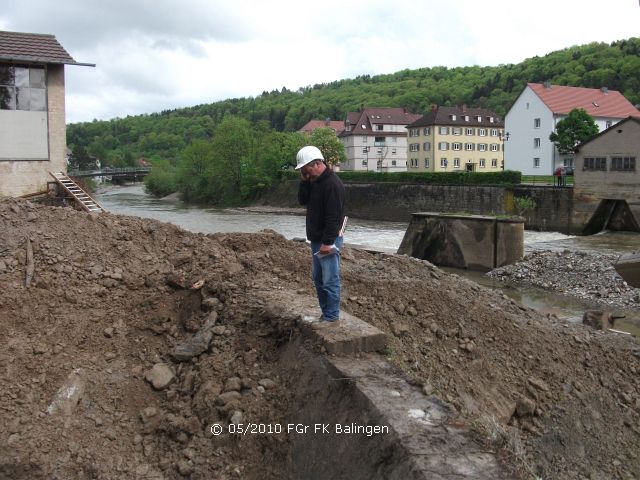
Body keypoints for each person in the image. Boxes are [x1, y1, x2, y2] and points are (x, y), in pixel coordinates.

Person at [296, 146, 346, 323]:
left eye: (306, 169)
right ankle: (326, 313)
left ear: (317, 164)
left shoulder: (332, 185)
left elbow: (334, 217)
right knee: (318, 278)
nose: (305, 173)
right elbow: (303, 200)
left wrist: (327, 242)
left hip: (328, 240)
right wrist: (304, 181)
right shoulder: (314, 181)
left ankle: (332, 316)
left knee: (330, 279)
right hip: (317, 239)